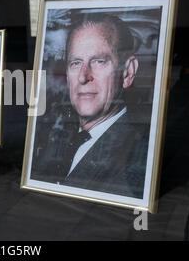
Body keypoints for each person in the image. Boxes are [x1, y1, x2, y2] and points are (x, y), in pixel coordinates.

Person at [31, 13, 149, 199]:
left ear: (128, 72)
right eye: (76, 63)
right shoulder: (55, 136)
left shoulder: (139, 158)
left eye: (99, 61)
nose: (83, 76)